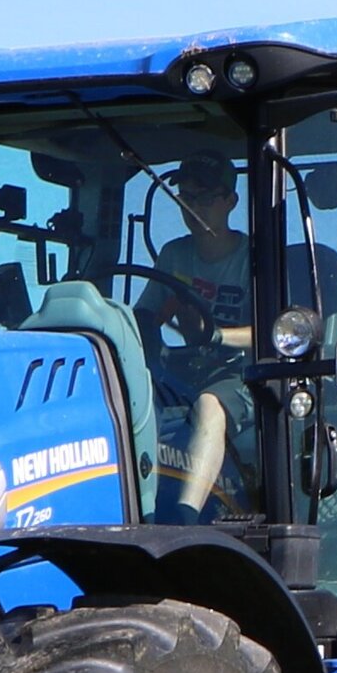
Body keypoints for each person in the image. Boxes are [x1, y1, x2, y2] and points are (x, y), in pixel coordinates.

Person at [137, 158, 262, 515]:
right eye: (185, 198)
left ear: (231, 202)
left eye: (204, 199)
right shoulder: (174, 255)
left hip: (242, 375)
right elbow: (147, 317)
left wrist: (215, 336)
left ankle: (185, 516)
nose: (193, 208)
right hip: (183, 372)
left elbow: (275, 334)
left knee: (209, 405)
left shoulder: (253, 258)